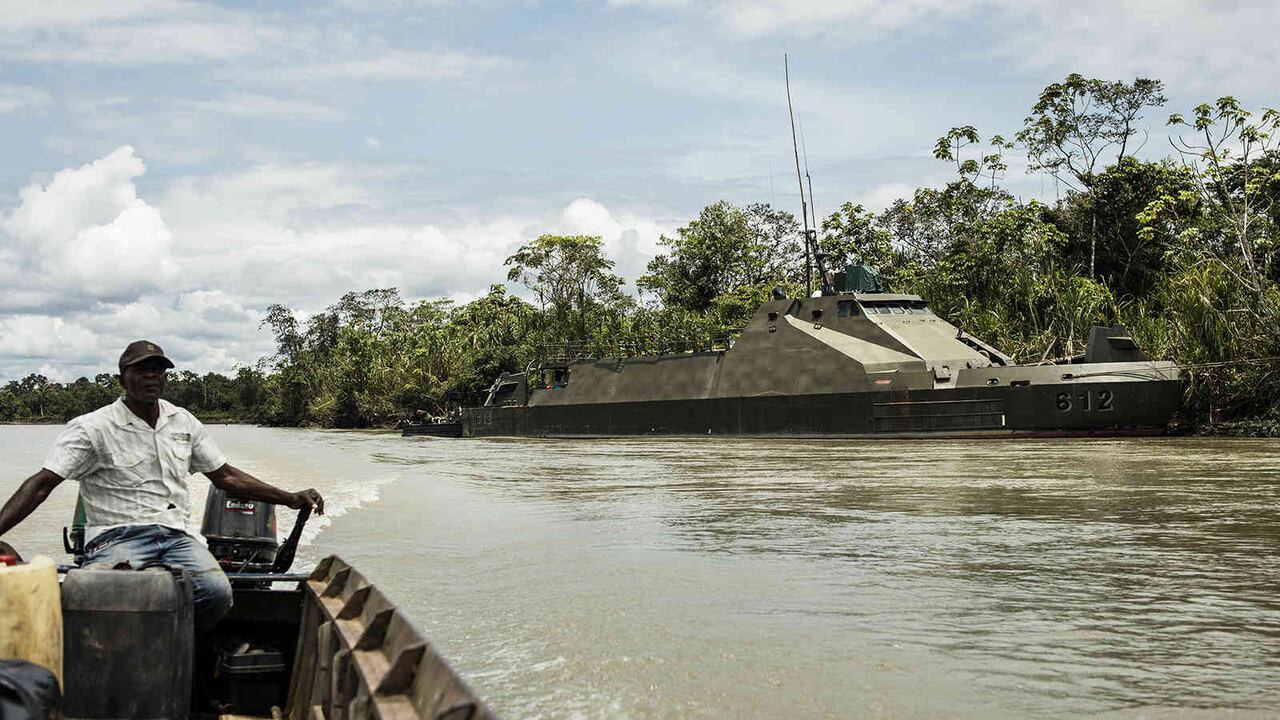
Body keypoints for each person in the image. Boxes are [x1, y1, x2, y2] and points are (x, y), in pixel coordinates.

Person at [0, 340, 325, 629]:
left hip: (176, 537)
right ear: (121, 379)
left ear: (166, 378)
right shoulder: (92, 428)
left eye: (157, 371)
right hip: (116, 537)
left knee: (217, 594)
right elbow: (41, 484)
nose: (150, 377)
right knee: (94, 595)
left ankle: (175, 651)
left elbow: (226, 477)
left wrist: (289, 497)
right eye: (140, 371)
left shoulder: (182, 422)